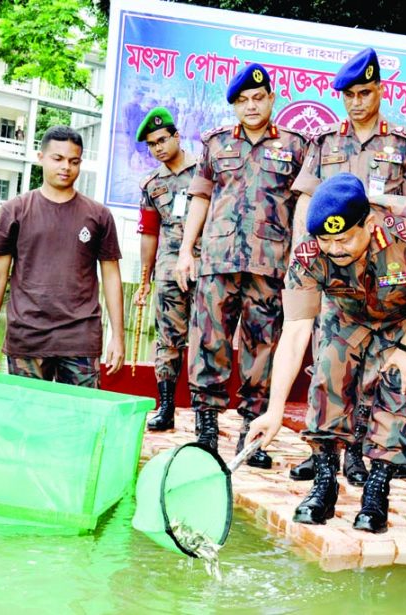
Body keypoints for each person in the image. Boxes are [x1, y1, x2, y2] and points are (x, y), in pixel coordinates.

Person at [247, 173, 406, 533]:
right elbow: (295, 332)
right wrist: (274, 411)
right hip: (346, 313)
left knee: (399, 382)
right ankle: (324, 484)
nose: (335, 249)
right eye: (326, 240)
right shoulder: (309, 254)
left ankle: (377, 491)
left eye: (343, 239)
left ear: (369, 223)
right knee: (328, 376)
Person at [289, 47, 406, 485]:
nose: (356, 101)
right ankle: (327, 454)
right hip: (336, 276)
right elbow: (305, 204)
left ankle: (362, 454)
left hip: (388, 275)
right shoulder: (325, 143)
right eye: (349, 94)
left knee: (379, 369)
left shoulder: (404, 145)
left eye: (365, 92)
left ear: (380, 91)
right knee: (333, 366)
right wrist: (305, 252)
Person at [175, 64, 307, 467]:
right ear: (234, 105)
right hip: (218, 261)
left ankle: (252, 435)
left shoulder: (297, 145)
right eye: (242, 100)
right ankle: (207, 431)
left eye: (258, 97)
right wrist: (185, 250)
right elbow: (200, 196)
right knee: (208, 342)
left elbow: (303, 203)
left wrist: (300, 257)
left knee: (261, 348)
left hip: (270, 266)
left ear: (271, 97)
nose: (251, 106)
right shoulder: (215, 144)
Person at [0, 126, 124, 386]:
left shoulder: (99, 216)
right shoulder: (14, 211)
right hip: (28, 336)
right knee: (30, 421)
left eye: (74, 161)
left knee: (82, 420)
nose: (66, 167)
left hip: (80, 337)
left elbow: (111, 276)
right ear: (41, 157)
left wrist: (118, 336)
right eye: (58, 158)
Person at [133, 107, 200, 431]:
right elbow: (149, 233)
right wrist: (145, 280)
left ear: (177, 136)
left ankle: (205, 415)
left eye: (162, 140)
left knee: (207, 340)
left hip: (205, 268)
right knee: (168, 339)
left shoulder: (205, 172)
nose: (158, 147)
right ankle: (166, 407)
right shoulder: (151, 184)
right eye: (152, 144)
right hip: (168, 270)